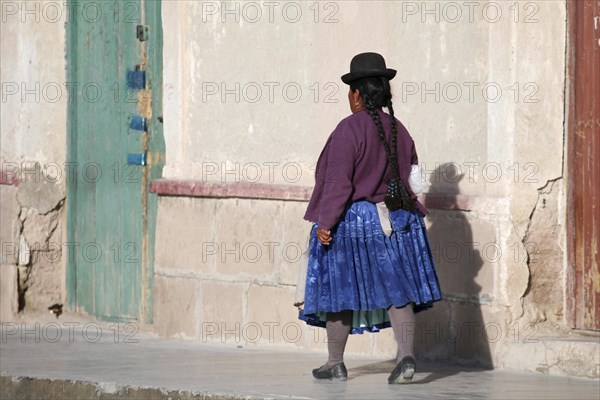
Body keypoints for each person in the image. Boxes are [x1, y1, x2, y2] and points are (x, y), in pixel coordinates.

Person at [299, 52, 442, 384]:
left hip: (355, 225)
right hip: (397, 222)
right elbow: (415, 180)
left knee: (339, 292)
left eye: (351, 91)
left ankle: (335, 362)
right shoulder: (399, 130)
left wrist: (325, 224)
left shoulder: (348, 131)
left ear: (357, 94)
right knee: (398, 291)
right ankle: (406, 357)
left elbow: (338, 184)